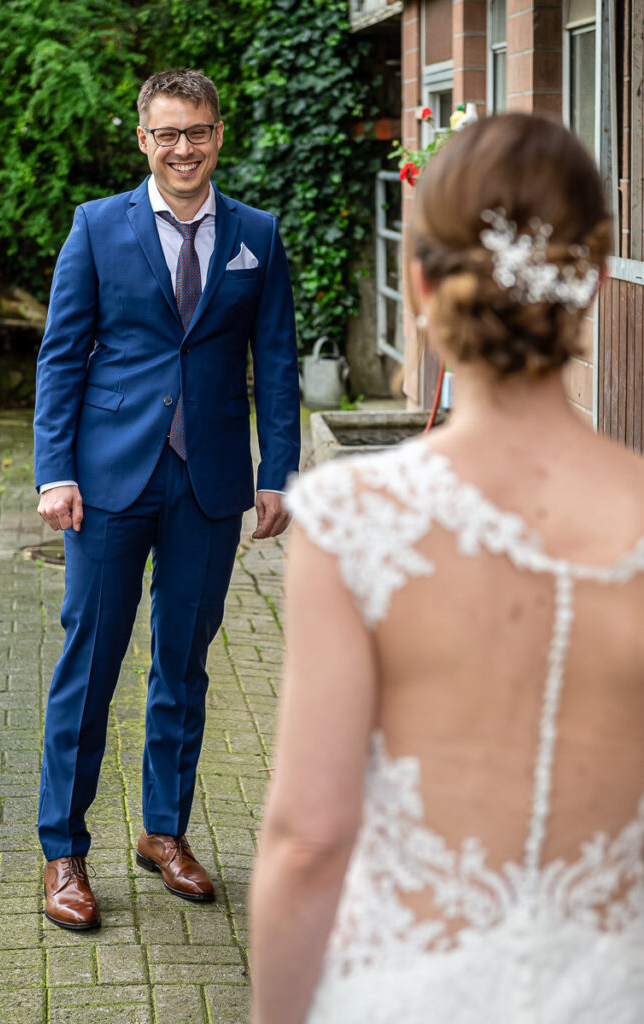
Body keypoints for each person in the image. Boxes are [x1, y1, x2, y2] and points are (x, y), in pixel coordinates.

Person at [250, 113, 644, 1023]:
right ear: (587, 283)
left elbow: (308, 839)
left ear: (420, 282)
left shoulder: (353, 520)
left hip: (407, 991)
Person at [33, 67, 300, 930]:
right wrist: (54, 470)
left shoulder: (256, 233)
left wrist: (276, 470)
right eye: (166, 134)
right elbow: (61, 355)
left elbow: (279, 363)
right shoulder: (97, 226)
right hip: (108, 481)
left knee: (182, 665)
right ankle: (62, 850)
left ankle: (162, 832)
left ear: (220, 134)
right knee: (91, 666)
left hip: (211, 482)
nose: (183, 148)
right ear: (143, 139)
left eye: (198, 131)